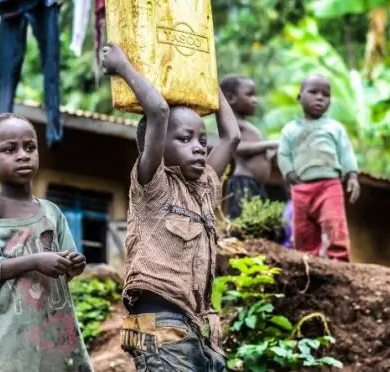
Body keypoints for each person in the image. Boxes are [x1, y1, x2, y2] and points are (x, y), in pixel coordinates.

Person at [102, 42, 240, 371]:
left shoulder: (204, 188)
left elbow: (232, 137)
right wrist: (122, 66)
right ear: (157, 145)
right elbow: (159, 112)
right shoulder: (154, 185)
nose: (198, 148)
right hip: (156, 323)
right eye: (185, 139)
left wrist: (208, 77)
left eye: (202, 141)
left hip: (198, 326)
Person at [0, 113, 93, 372]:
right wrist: (35, 261)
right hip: (6, 330)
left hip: (50, 326)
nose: (23, 155)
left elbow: (67, 269)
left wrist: (73, 264)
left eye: (30, 147)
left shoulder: (51, 212)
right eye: (10, 149)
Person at [277, 75, 360, 262]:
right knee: (303, 229)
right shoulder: (290, 129)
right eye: (313, 92)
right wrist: (289, 172)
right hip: (301, 188)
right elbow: (283, 153)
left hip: (329, 185)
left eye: (326, 94)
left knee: (334, 223)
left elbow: (346, 152)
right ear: (299, 98)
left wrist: (352, 175)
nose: (320, 98)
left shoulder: (335, 128)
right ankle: (308, 260)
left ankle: (338, 258)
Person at [219, 75, 278, 219]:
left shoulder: (248, 125)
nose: (255, 100)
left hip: (256, 184)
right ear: (231, 98)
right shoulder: (231, 123)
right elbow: (236, 148)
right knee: (242, 223)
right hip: (244, 182)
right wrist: (270, 144)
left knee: (255, 224)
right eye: (249, 94)